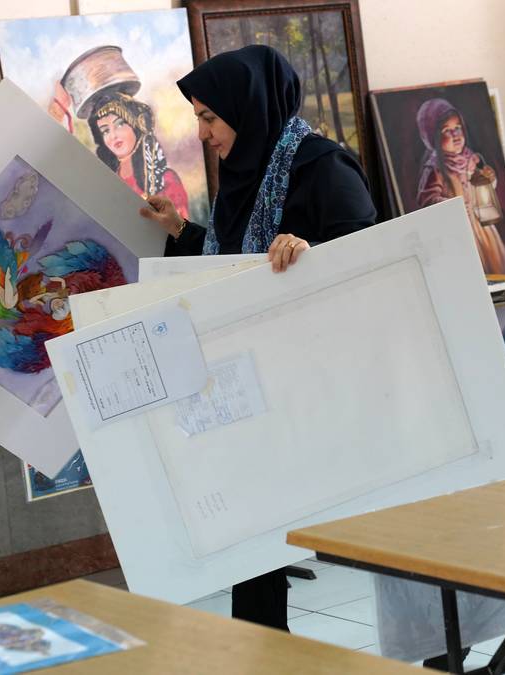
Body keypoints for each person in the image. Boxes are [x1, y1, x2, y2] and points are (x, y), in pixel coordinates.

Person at [138, 45, 376, 630]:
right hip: (249, 386)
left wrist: (311, 252)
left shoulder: (323, 168)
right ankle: (262, 645)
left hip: (317, 385)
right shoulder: (243, 176)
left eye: (209, 117)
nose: (203, 133)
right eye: (198, 118)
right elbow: (234, 264)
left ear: (248, 109)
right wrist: (180, 230)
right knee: (250, 534)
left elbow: (368, 264)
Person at [414, 98, 505, 275]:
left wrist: (488, 179)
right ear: (432, 137)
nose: (455, 135)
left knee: (493, 265)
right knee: (469, 271)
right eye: (447, 130)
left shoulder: (471, 159)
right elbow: (427, 200)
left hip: (481, 226)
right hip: (455, 231)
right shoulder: (435, 168)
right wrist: (452, 206)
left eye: (458, 128)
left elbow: (481, 189)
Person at [89, 92, 190, 219]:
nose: (113, 135)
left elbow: (179, 226)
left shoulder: (166, 180)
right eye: (105, 131)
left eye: (119, 124)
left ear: (137, 124)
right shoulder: (106, 183)